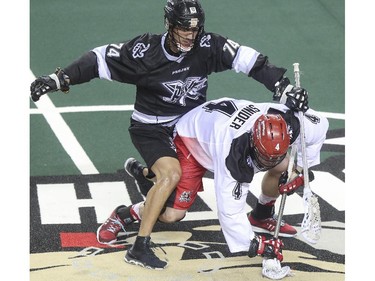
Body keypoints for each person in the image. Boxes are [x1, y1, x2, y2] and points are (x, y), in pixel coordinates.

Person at [30, 0, 309, 270]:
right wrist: (58, 79)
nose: (191, 35)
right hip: (153, 129)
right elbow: (98, 59)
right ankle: (138, 245)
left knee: (276, 164)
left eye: (195, 29)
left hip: (194, 130)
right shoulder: (145, 53)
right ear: (169, 25)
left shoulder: (206, 45)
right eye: (184, 28)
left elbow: (249, 60)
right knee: (171, 181)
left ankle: (257, 215)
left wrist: (283, 88)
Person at [97, 98, 329, 269]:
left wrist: (297, 171)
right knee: (172, 214)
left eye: (274, 155)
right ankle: (125, 214)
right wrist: (258, 246)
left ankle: (261, 214)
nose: (267, 162)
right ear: (253, 142)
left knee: (282, 168)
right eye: (263, 158)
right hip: (193, 141)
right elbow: (230, 213)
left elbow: (321, 126)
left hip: (218, 123)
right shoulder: (233, 157)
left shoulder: (292, 122)